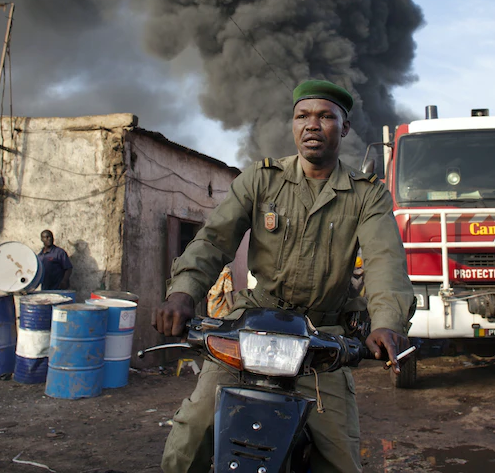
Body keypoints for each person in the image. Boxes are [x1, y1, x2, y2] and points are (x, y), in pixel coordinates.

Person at [153, 79, 415, 473]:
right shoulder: (261, 179)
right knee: (189, 437)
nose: (312, 125)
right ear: (293, 124)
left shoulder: (368, 195)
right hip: (251, 328)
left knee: (341, 459)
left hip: (321, 343)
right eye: (302, 116)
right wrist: (182, 292)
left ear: (344, 127)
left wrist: (388, 324)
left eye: (326, 117)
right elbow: (213, 240)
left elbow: (385, 261)